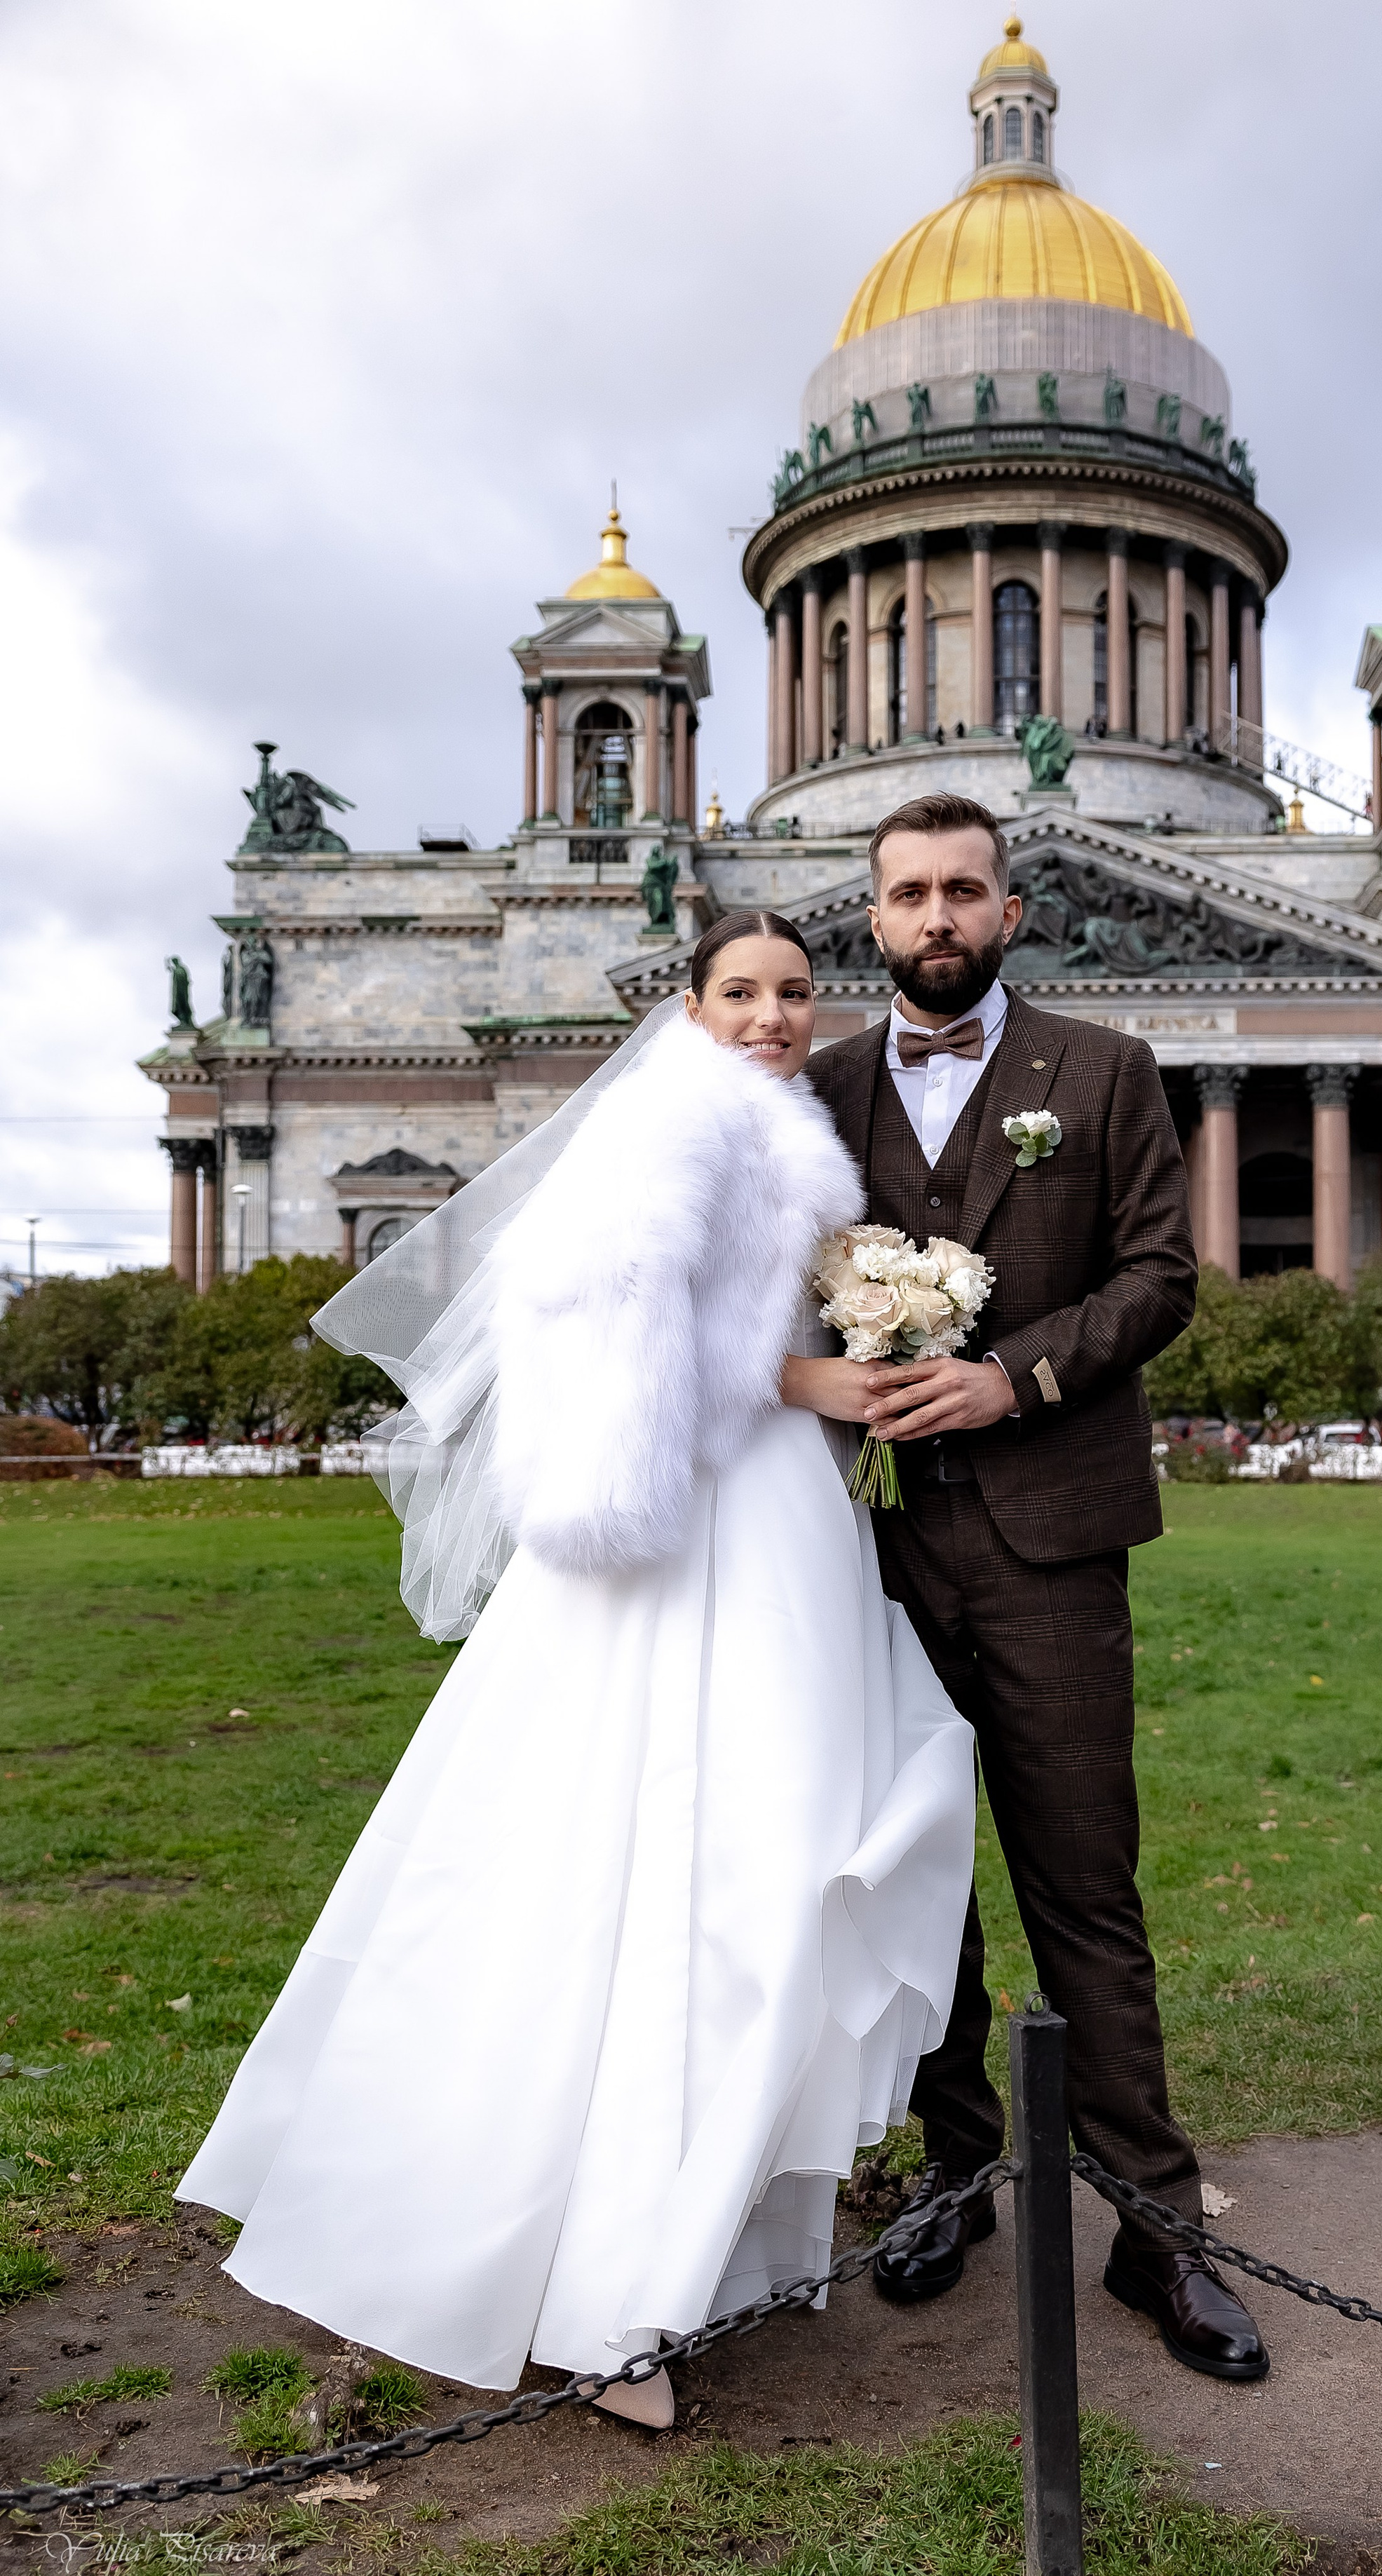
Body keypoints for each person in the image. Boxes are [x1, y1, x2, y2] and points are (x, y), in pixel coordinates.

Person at [178, 912, 976, 2429]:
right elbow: (619, 1338)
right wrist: (808, 1370)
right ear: (686, 1006)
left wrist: (845, 1328)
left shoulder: (766, 1122)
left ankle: (680, 2246)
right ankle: (614, 2291)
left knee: (745, 1882)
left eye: (793, 993)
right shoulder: (676, 1118)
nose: (768, 1016)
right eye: (738, 992)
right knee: (697, 1889)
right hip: (696, 1533)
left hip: (773, 1524)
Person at [799, 793, 1269, 2384]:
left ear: (1010, 911)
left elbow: (1158, 1277)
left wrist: (1013, 1379)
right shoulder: (814, 1087)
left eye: (964, 892)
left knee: (1084, 1890)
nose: (937, 917)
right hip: (860, 1548)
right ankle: (956, 2171)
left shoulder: (1104, 1068)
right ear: (871, 917)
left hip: (1050, 1540)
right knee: (914, 1881)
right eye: (909, 894)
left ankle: (1157, 2231)